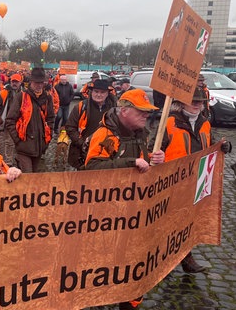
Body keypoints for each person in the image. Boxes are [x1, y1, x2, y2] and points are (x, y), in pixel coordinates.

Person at [85, 89, 165, 310]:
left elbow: (146, 164)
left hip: (135, 210)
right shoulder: (105, 135)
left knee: (133, 259)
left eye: (147, 112)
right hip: (108, 213)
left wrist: (156, 159)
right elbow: (91, 169)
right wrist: (130, 163)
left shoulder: (141, 133)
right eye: (141, 112)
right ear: (125, 111)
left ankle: (129, 300)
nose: (146, 116)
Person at [159, 87, 232, 272]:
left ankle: (185, 257)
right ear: (182, 102)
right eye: (193, 101)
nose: (197, 105)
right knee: (171, 221)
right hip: (172, 181)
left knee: (188, 221)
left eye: (200, 102)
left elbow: (212, 144)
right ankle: (164, 257)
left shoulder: (204, 123)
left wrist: (224, 146)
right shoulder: (169, 123)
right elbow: (156, 147)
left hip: (196, 181)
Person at [5, 67, 55, 173]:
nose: (39, 85)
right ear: (31, 82)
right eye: (37, 82)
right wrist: (18, 140)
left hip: (39, 146)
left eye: (41, 83)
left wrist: (47, 140)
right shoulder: (21, 97)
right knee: (27, 176)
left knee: (35, 177)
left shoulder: (47, 98)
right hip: (24, 147)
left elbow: (50, 119)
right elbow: (10, 120)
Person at [66, 79, 118, 169]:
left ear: (107, 93)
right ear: (91, 92)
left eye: (102, 92)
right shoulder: (81, 107)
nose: (98, 95)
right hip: (83, 153)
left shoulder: (115, 109)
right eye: (96, 91)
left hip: (106, 153)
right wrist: (82, 143)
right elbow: (70, 127)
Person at [0, 73, 23, 166]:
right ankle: (7, 161)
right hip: (7, 121)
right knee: (6, 141)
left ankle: (10, 160)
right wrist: (0, 118)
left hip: (18, 121)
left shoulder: (24, 94)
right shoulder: (4, 92)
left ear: (20, 82)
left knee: (12, 141)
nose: (14, 84)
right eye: (13, 82)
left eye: (16, 82)